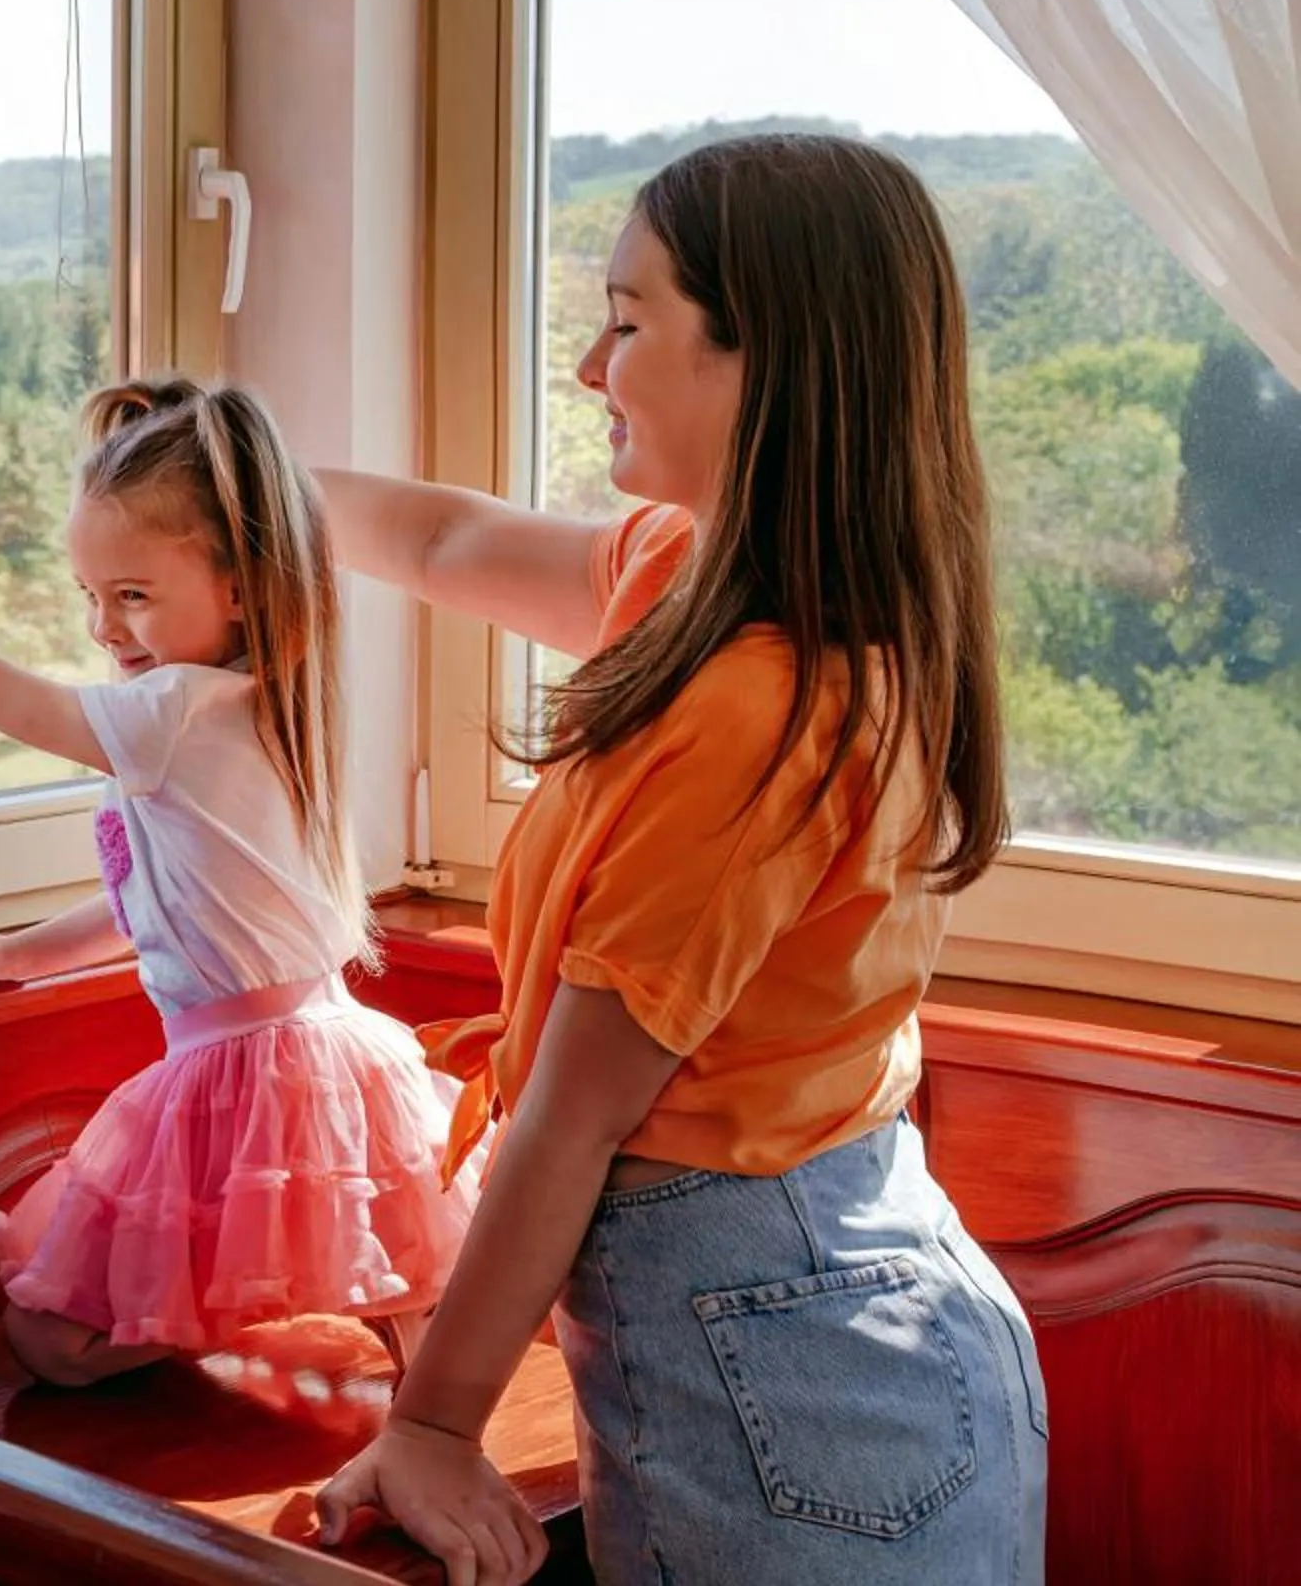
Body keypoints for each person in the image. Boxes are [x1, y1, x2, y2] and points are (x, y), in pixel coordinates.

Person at [310, 133, 1050, 1586]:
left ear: (758, 359)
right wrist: (235, 474)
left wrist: (436, 1428)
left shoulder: (761, 705)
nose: (590, 366)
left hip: (790, 1365)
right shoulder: (688, 581)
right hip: (837, 1307)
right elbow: (449, 538)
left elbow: (576, 1120)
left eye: (630, 321)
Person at [0, 376, 480, 1390]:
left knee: (53, 1343)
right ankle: (422, 1400)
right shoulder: (263, 698)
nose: (104, 628)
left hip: (245, 1067)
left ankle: (387, 1395)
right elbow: (163, 905)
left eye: (132, 595)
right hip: (327, 1050)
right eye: (91, 595)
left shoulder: (172, 708)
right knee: (404, 1281)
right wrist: (15, 951)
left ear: (240, 585)